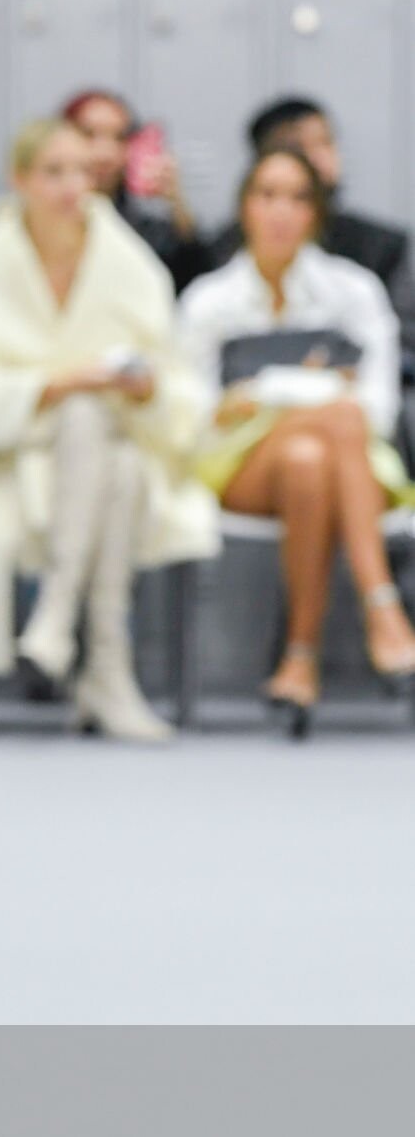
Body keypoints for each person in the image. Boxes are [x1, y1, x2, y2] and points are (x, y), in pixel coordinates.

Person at [0, 117, 219, 741]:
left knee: (108, 444)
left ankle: (57, 615)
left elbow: (177, 381)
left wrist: (145, 388)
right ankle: (106, 667)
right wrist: (61, 384)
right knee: (89, 426)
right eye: (54, 171)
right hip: (16, 460)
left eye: (84, 172)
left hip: (119, 441)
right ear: (19, 178)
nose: (74, 186)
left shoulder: (131, 264)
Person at [178, 144, 415, 732]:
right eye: (267, 195)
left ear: (317, 211)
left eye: (298, 197)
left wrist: (266, 392)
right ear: (245, 206)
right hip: (238, 465)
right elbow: (190, 415)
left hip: (347, 461)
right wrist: (308, 388)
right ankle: (382, 606)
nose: (282, 211)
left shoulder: (355, 291)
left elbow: (380, 408)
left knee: (312, 455)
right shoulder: (208, 300)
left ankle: (299, 659)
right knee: (337, 418)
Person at [61, 88, 212, 294]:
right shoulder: (36, 222)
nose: (105, 153)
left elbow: (195, 279)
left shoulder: (143, 229)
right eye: (89, 134)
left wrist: (177, 202)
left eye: (119, 138)